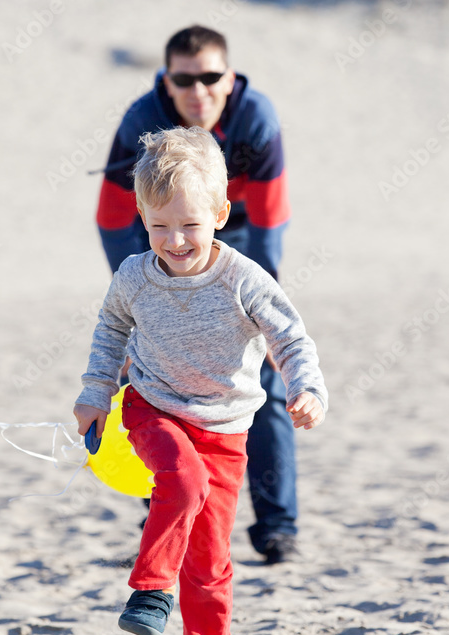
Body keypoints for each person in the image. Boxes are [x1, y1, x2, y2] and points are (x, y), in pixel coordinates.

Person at [75, 127, 327, 635]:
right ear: (142, 217)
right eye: (159, 226)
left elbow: (290, 336)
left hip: (224, 430)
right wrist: (96, 393)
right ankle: (150, 590)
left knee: (211, 566)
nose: (175, 241)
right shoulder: (134, 276)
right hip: (153, 407)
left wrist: (307, 387)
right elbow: (110, 330)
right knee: (181, 482)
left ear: (219, 213)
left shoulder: (244, 279)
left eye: (189, 224)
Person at [95, 25, 301, 563]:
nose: (199, 91)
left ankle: (277, 527)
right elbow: (113, 216)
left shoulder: (256, 118)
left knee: (266, 383)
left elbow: (272, 220)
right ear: (167, 80)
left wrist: (265, 316)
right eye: (185, 80)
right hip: (162, 237)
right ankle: (162, 514)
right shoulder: (142, 122)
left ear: (229, 79)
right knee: (154, 379)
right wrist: (147, 295)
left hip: (235, 237)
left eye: (211, 78)